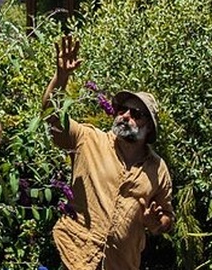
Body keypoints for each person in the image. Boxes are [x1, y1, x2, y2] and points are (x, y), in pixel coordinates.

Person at [42, 35, 174, 270]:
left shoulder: (157, 168)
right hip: (74, 258)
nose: (125, 116)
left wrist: (156, 223)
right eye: (122, 109)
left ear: (149, 127)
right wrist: (61, 78)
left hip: (122, 264)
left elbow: (167, 218)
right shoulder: (88, 139)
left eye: (136, 114)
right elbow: (51, 118)